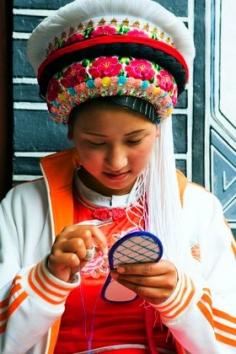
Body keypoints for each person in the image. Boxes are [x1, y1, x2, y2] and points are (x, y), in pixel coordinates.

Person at [0, 0, 235, 353]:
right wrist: (48, 275)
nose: (117, 160)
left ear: (158, 133)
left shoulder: (199, 209)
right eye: (95, 142)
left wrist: (179, 297)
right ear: (71, 136)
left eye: (134, 140)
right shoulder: (23, 207)